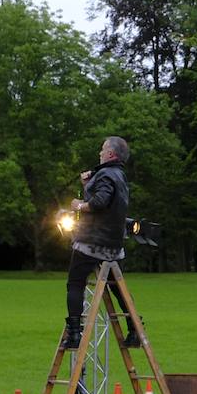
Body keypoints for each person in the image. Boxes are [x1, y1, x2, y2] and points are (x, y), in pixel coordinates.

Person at [64, 136, 138, 350]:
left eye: (103, 149)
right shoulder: (121, 177)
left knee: (75, 283)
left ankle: (75, 334)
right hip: (115, 247)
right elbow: (107, 201)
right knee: (118, 289)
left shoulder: (105, 174)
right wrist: (88, 185)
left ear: (111, 154)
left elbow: (99, 202)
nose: (100, 152)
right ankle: (134, 329)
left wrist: (78, 205)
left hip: (92, 243)